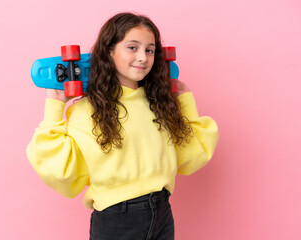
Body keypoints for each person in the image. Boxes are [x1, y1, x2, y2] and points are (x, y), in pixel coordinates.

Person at [27, 12, 219, 240]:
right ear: (109, 51)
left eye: (149, 50)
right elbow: (58, 169)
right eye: (132, 47)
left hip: (162, 211)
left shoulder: (157, 103)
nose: (143, 57)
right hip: (117, 218)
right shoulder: (86, 110)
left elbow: (191, 155)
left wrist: (186, 101)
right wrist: (55, 107)